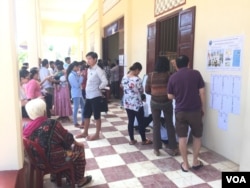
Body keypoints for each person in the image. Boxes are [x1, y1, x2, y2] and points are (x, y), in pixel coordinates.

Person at [23, 98, 92, 187]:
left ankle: (57, 176)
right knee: (79, 149)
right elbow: (68, 137)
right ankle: (80, 180)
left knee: (58, 147)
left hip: (38, 162)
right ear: (44, 111)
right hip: (54, 162)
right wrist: (78, 144)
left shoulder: (27, 127)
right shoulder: (51, 123)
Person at [167, 55, 205, 172]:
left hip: (180, 112)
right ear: (188, 63)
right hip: (195, 111)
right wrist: (202, 108)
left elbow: (169, 96)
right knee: (197, 137)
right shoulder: (196, 74)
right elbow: (202, 92)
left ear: (176, 65)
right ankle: (195, 161)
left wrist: (178, 96)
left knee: (182, 138)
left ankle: (186, 165)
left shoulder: (173, 77)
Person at [145, 56, 178, 156]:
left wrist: (155, 93)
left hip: (154, 103)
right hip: (167, 102)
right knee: (169, 124)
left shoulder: (150, 76)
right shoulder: (170, 75)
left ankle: (156, 149)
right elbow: (173, 89)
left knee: (156, 125)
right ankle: (173, 148)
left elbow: (147, 90)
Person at [76, 52, 108, 140]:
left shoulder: (99, 70)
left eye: (90, 58)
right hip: (88, 96)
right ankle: (85, 132)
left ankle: (97, 134)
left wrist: (98, 87)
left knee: (97, 116)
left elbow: (105, 81)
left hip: (96, 96)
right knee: (86, 114)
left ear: (95, 59)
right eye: (87, 59)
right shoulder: (89, 69)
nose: (88, 61)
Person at [121, 62, 152, 145]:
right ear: (137, 69)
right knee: (140, 122)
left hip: (127, 103)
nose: (139, 73)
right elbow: (141, 90)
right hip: (136, 103)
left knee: (130, 121)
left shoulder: (124, 77)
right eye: (139, 71)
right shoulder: (137, 79)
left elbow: (122, 86)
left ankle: (132, 140)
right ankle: (144, 140)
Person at [67, 61, 85, 128]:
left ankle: (83, 121)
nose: (78, 68)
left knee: (83, 106)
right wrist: (81, 77)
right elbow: (77, 85)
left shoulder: (75, 74)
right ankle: (75, 122)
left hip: (79, 93)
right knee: (76, 108)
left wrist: (80, 76)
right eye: (77, 67)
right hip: (75, 93)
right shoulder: (71, 75)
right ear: (74, 67)